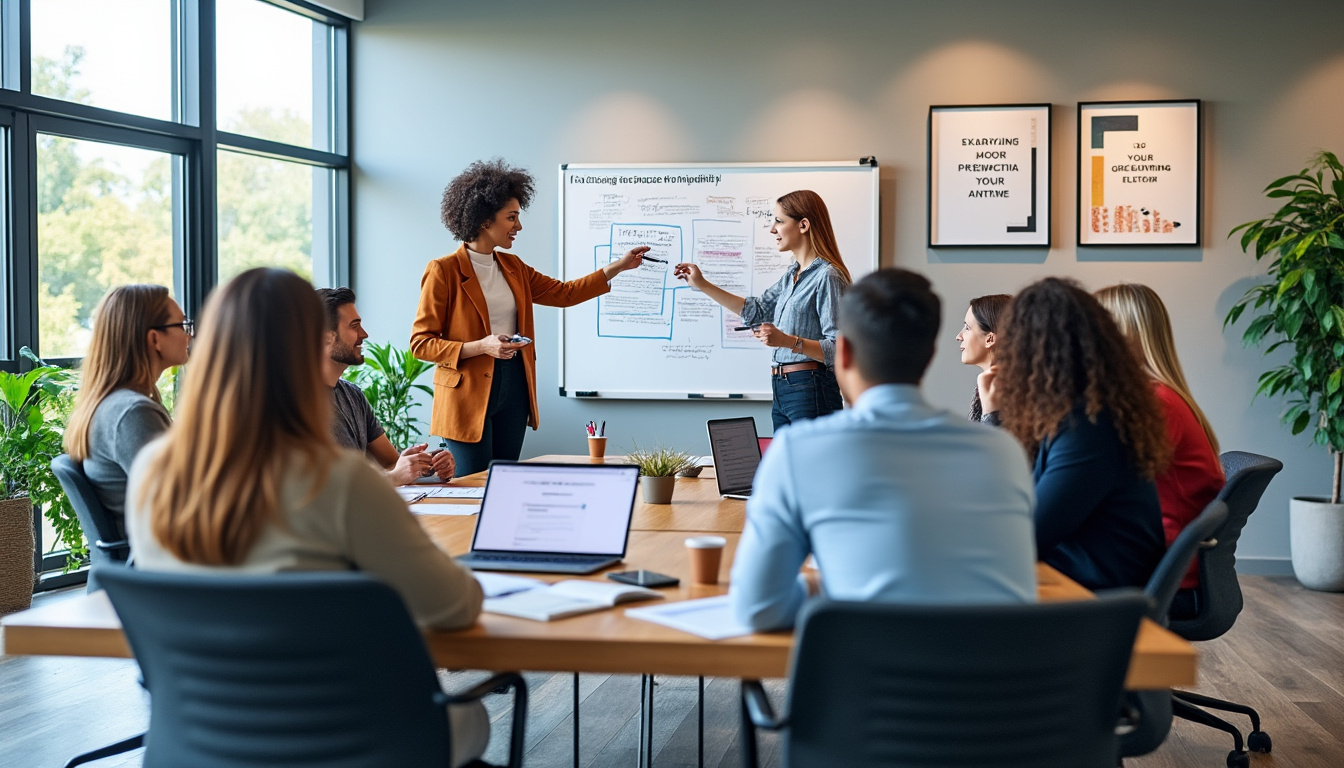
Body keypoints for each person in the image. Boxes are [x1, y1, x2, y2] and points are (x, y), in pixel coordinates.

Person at [126, 268, 488, 766]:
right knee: (474, 717)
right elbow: (455, 606)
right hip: (345, 737)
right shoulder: (340, 481)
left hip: (201, 736)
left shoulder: (151, 472)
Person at [729, 268, 1037, 632]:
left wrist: (835, 585)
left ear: (841, 353)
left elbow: (757, 609)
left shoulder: (797, 451)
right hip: (987, 678)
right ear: (930, 354)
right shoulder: (1001, 451)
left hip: (862, 681)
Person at [411, 159, 648, 476]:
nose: (518, 226)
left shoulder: (514, 267)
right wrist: (482, 346)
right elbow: (421, 343)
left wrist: (618, 266)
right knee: (471, 486)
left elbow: (565, 293)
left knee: (505, 483)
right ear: (484, 220)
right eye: (511, 217)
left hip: (514, 386)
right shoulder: (444, 271)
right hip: (466, 394)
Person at [994, 277, 1170, 592]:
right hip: (1081, 576)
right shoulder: (1080, 415)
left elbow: (1031, 535)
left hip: (1098, 595)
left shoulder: (1090, 427)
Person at [674, 190, 850, 430]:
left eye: (779, 220)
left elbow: (839, 348)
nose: (772, 229)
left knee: (807, 466)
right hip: (782, 387)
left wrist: (787, 341)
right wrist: (702, 284)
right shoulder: (791, 276)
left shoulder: (827, 276)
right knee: (788, 467)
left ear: (803, 225)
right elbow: (755, 310)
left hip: (811, 387)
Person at [1097, 283, 1224, 606]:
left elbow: (1102, 487)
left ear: (1125, 335)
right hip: (1162, 561)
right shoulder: (1159, 397)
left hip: (1165, 574)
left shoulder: (1156, 404)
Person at [63, 285, 190, 538]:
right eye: (183, 326)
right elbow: (182, 505)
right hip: (168, 565)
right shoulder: (132, 413)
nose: (189, 335)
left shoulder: (114, 403)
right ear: (155, 339)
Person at [317, 287, 455, 485]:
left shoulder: (352, 395)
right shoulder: (295, 405)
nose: (364, 334)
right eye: (354, 326)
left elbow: (391, 463)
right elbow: (325, 487)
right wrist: (394, 476)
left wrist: (428, 466)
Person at [956, 293, 1011, 425]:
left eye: (967, 328)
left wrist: (991, 413)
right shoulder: (987, 386)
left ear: (990, 339)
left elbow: (995, 443)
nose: (959, 336)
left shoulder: (1008, 393)